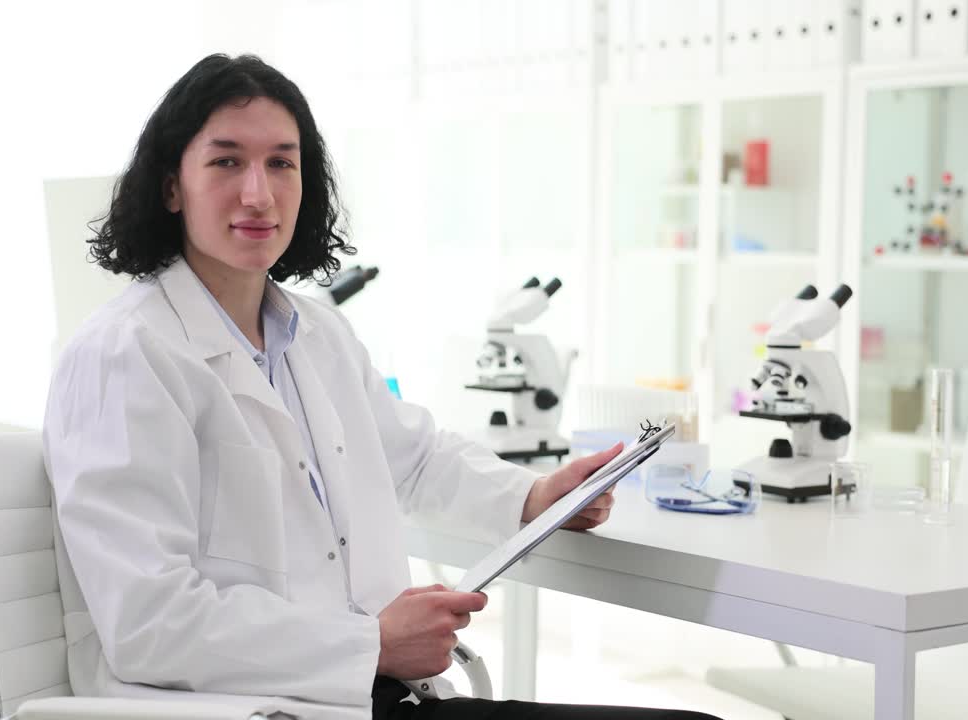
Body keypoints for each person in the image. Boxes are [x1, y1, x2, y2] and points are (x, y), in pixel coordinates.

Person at [43, 53, 720, 720]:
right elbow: (148, 625)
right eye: (226, 162)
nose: (259, 193)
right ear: (170, 186)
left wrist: (536, 496)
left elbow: (417, 457)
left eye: (282, 162)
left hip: (367, 697)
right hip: (249, 710)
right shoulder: (124, 355)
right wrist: (370, 643)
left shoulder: (315, 332)